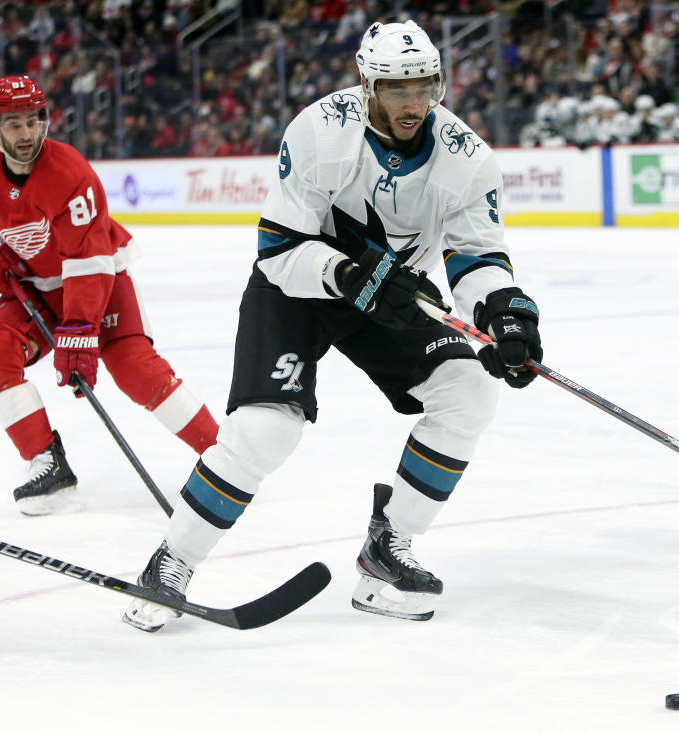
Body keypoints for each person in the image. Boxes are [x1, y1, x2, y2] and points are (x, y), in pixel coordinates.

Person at [122, 19, 542, 632]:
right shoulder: (321, 132)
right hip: (299, 284)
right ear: (366, 86)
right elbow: (280, 248)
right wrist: (355, 278)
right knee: (266, 430)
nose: (413, 103)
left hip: (388, 297)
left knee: (469, 390)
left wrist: (504, 311)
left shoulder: (467, 159)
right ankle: (172, 560)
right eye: (398, 90)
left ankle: (387, 549)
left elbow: (476, 256)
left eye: (425, 87)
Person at [0, 75, 219, 515]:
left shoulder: (69, 172)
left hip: (96, 280)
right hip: (35, 288)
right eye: (13, 124)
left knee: (134, 370)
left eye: (33, 121)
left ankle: (224, 458)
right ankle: (47, 464)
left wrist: (80, 331)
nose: (26, 134)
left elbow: (89, 262)